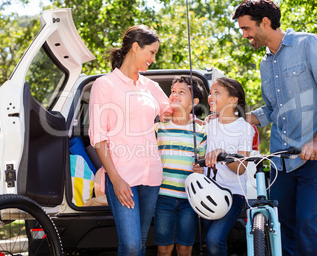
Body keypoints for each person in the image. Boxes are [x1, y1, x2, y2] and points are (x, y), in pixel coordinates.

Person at [232, 0, 317, 256]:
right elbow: (272, 110)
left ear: (265, 22)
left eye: (246, 28)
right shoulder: (265, 63)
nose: (244, 35)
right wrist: (233, 116)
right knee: (283, 226)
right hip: (280, 161)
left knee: (307, 221)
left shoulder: (309, 44)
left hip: (314, 156)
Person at [88, 25, 171, 256]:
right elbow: (99, 139)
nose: (153, 59)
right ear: (135, 48)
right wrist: (115, 180)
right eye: (151, 52)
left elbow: (173, 113)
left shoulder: (150, 86)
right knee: (132, 245)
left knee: (142, 242)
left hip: (151, 175)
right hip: (122, 176)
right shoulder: (105, 85)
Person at [193, 77, 254, 256]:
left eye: (217, 93)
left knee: (214, 240)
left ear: (233, 99)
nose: (211, 97)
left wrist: (223, 156)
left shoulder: (244, 128)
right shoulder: (208, 124)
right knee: (210, 243)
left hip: (232, 194)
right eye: (210, 93)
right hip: (205, 192)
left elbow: (241, 168)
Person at [154, 76, 207, 256]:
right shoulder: (159, 128)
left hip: (189, 200)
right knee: (164, 249)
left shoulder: (200, 132)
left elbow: (203, 164)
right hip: (163, 197)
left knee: (185, 248)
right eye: (173, 92)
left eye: (182, 92)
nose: (175, 95)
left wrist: (201, 170)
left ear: (194, 102)